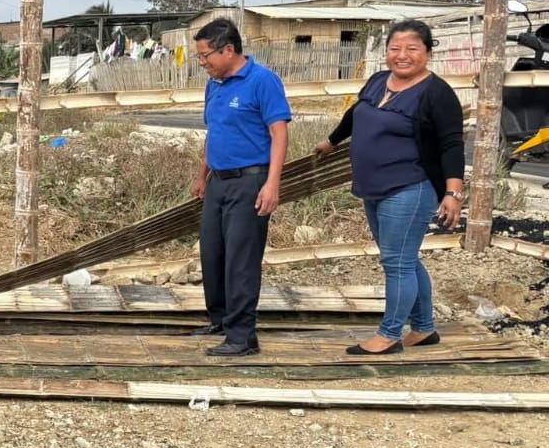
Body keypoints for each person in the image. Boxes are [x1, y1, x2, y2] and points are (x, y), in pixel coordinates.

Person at [315, 19, 464, 354]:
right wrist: (332, 141)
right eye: (395, 48)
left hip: (409, 187)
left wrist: (453, 193)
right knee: (404, 260)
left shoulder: (437, 93)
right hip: (373, 187)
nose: (402, 55)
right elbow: (356, 113)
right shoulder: (378, 81)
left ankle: (389, 335)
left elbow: (452, 145)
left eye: (412, 48)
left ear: (428, 52)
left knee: (397, 263)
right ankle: (424, 328)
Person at [190, 18, 291, 356]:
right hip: (218, 181)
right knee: (213, 253)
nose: (202, 63)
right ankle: (220, 319)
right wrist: (202, 175)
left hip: (250, 181)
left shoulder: (262, 81)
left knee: (241, 259)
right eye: (199, 56)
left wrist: (272, 183)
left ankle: (243, 336)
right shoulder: (214, 85)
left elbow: (279, 133)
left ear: (229, 50)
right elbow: (214, 132)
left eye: (205, 56)